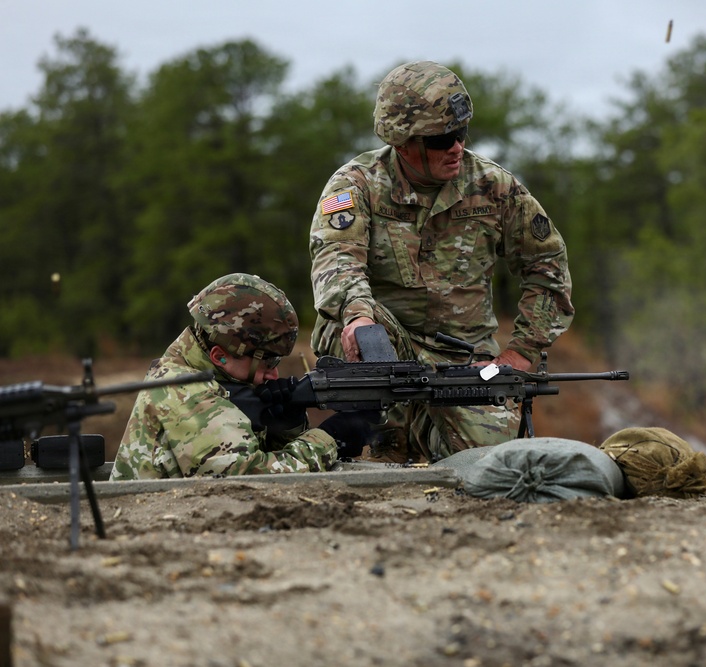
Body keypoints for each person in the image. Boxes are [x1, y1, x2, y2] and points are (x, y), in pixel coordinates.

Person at [309, 60, 574, 462]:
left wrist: (523, 350)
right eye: (441, 139)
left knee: (491, 463)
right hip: (380, 341)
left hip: (465, 357)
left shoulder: (494, 187)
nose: (456, 147)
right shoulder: (356, 184)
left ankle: (420, 428)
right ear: (403, 143)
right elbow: (336, 261)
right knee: (367, 347)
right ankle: (382, 423)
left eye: (461, 133)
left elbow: (548, 267)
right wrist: (358, 315)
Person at [110, 273, 351, 480]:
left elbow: (250, 456)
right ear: (220, 356)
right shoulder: (183, 391)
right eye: (266, 361)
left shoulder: (206, 380)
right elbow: (246, 478)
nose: (274, 373)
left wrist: (285, 428)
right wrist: (329, 439)